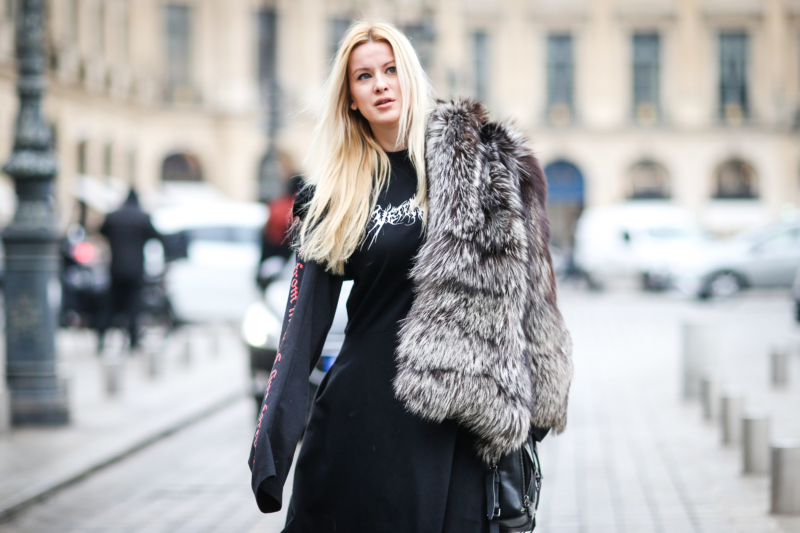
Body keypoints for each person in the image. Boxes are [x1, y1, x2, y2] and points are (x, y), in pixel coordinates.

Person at [248, 21, 573, 532]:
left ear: (412, 78)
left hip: (454, 422)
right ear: (350, 96)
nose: (380, 84)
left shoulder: (477, 167)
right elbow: (302, 326)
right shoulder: (333, 195)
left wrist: (534, 403)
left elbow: (530, 294)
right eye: (364, 76)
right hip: (357, 420)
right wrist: (273, 444)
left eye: (392, 70)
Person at [97, 189, 161, 352]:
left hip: (115, 268)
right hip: (136, 270)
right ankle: (132, 342)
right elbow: (157, 237)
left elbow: (101, 231)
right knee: (134, 305)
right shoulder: (142, 218)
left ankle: (102, 339)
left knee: (110, 305)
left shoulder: (114, 217)